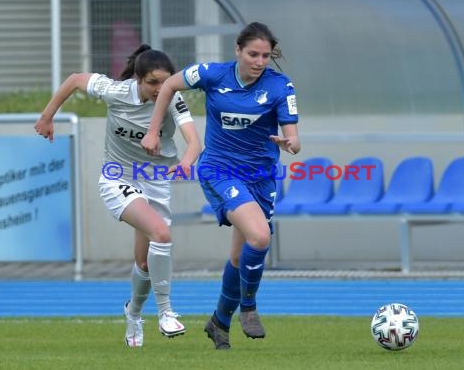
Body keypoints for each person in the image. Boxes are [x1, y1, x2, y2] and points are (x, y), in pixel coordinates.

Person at [142, 22, 301, 350]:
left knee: (239, 257)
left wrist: (289, 143)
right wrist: (154, 130)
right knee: (260, 236)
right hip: (219, 170)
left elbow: (295, 139)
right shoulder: (213, 74)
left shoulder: (280, 86)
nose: (259, 61)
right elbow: (170, 85)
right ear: (237, 51)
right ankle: (249, 307)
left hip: (262, 176)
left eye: (265, 56)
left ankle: (219, 322)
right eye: (253, 54)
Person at [34, 44, 202, 348]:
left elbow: (194, 142)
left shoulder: (173, 99)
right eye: (152, 82)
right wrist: (47, 117)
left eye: (165, 82)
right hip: (117, 177)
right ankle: (166, 312)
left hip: (156, 181)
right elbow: (74, 80)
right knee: (161, 234)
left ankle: (133, 314)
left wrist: (186, 165)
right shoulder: (115, 91)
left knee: (146, 262)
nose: (159, 89)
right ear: (137, 79)